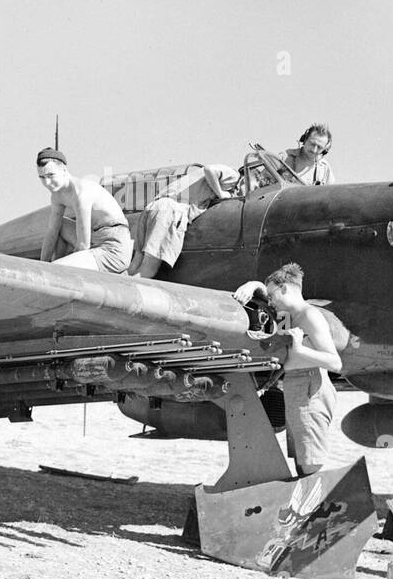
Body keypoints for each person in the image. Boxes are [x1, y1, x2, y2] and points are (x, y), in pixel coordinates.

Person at [232, 263, 342, 477]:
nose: (270, 302)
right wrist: (254, 285)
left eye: (272, 295)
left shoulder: (310, 316)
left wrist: (299, 349)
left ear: (284, 289)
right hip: (297, 386)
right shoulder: (289, 315)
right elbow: (288, 359)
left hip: (311, 388)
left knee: (311, 463)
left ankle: (311, 507)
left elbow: (335, 362)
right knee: (301, 459)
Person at [127, 163, 240, 278]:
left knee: (135, 264)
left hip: (155, 206)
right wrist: (221, 193)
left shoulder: (199, 176)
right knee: (147, 270)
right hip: (170, 211)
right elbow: (209, 169)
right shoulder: (234, 175)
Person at [36, 148, 133, 272]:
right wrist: (40, 266)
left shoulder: (81, 193)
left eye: (50, 175)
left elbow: (83, 245)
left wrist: (53, 268)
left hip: (113, 246)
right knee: (60, 225)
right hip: (94, 238)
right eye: (42, 177)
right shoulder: (57, 196)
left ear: (64, 170)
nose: (47, 182)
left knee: (56, 270)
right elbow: (52, 232)